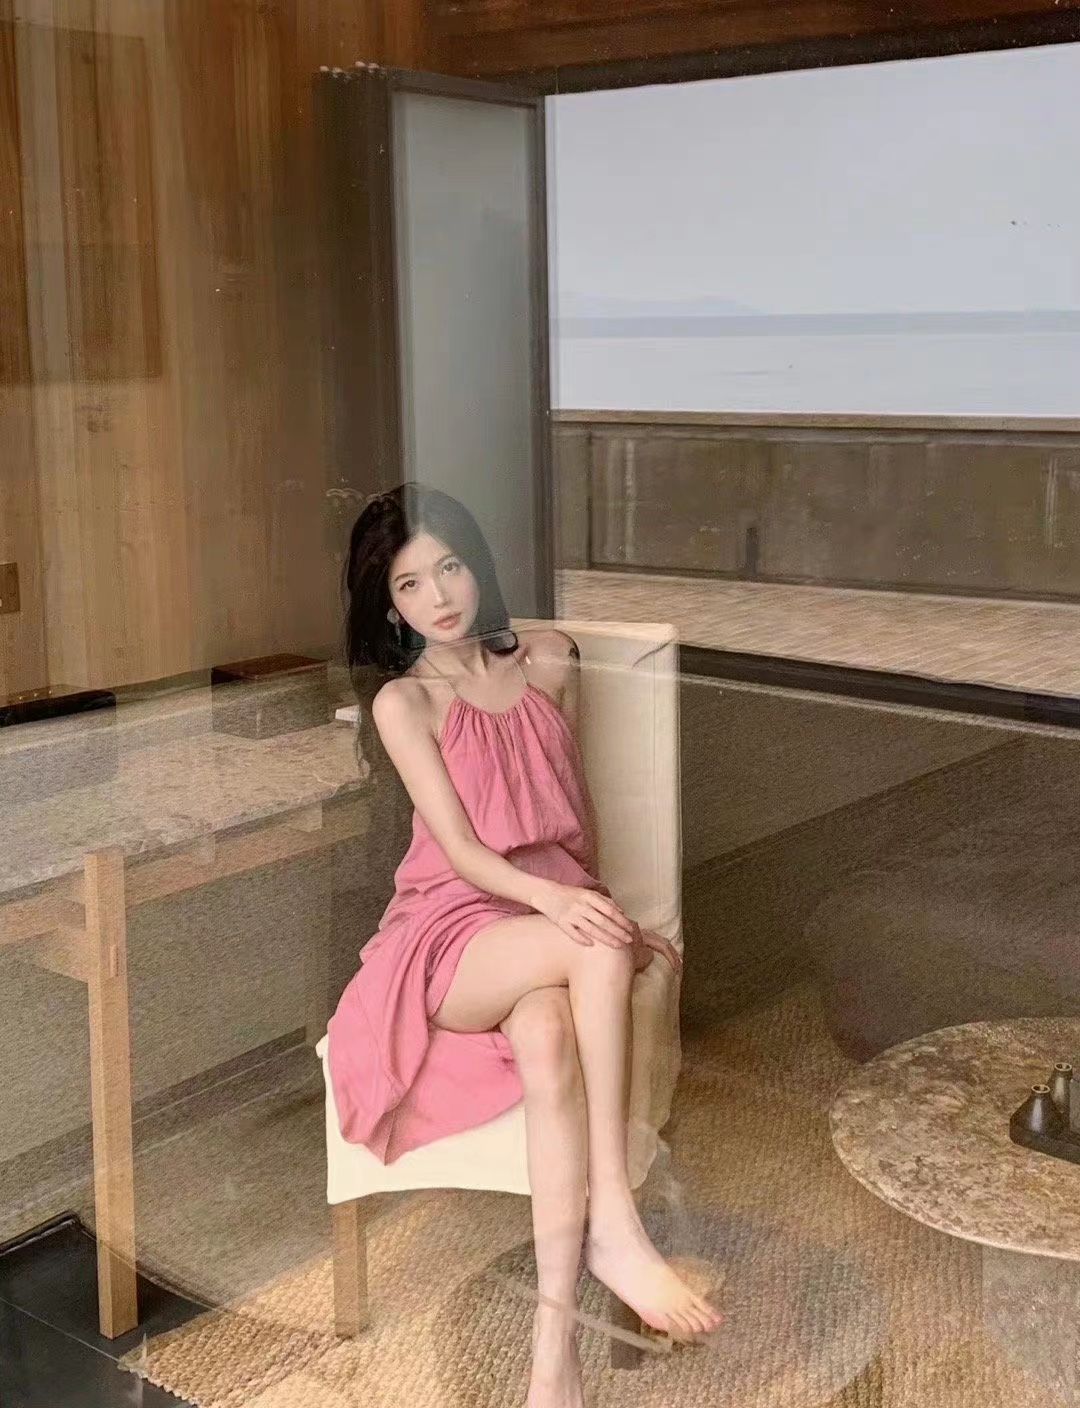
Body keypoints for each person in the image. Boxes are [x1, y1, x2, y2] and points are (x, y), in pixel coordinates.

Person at [326, 482, 722, 1408]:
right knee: (596, 950)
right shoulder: (404, 704)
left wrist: (577, 897)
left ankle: (554, 1356)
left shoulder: (548, 659)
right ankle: (613, 1220)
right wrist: (561, 904)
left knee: (548, 1037)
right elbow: (464, 851)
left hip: (545, 920)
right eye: (410, 584)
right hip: (451, 931)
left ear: (480, 565)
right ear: (390, 606)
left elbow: (567, 806)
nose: (439, 596)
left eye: (450, 567)